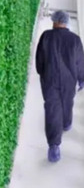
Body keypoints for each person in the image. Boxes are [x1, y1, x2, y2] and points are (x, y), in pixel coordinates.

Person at [36, 10, 84, 162]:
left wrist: (43, 73)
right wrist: (81, 79)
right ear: (67, 21)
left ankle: (54, 147)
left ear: (54, 21)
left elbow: (39, 61)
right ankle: (67, 123)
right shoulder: (75, 40)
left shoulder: (46, 37)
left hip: (50, 79)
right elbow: (80, 62)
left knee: (52, 110)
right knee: (67, 101)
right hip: (69, 80)